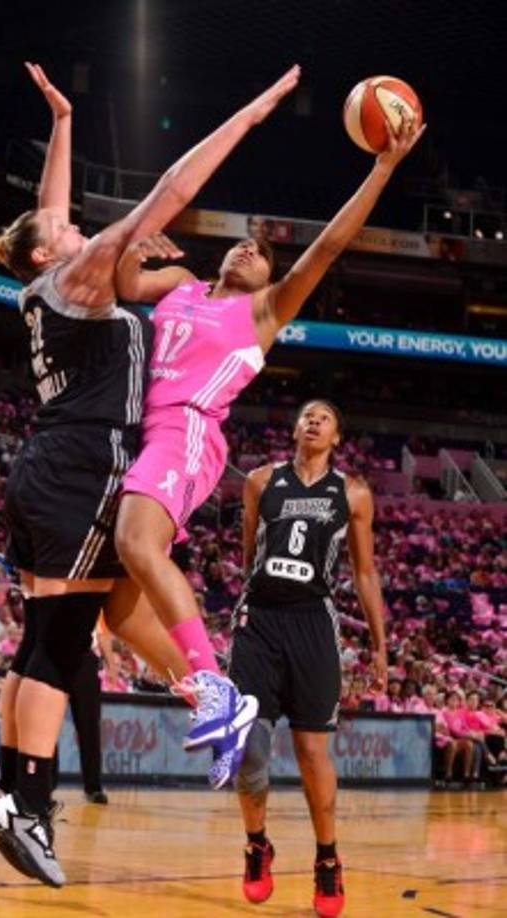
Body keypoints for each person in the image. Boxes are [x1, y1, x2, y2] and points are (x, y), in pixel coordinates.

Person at [0, 61, 301, 887]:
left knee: (41, 642)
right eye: (69, 228)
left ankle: (11, 790)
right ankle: (30, 806)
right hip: (81, 467)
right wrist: (248, 116)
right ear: (51, 253)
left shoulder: (49, 282)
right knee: (61, 644)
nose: (79, 226)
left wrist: (65, 121)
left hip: (46, 465)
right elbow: (170, 189)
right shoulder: (78, 278)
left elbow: (47, 213)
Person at [114, 117, 424, 789]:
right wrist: (134, 247)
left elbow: (328, 247)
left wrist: (381, 170)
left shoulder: (260, 313)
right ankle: (210, 700)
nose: (250, 249)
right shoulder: (180, 284)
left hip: (187, 429)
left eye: (261, 253)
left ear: (267, 282)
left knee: (139, 547)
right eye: (245, 244)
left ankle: (215, 688)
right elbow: (121, 285)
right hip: (137, 433)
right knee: (117, 604)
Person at [225, 400, 388, 917]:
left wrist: (380, 642)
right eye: (306, 415)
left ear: (337, 436)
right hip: (260, 620)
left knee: (312, 753)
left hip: (313, 624)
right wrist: (251, 601)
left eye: (325, 418)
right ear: (294, 428)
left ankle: (327, 858)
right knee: (249, 747)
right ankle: (257, 845)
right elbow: (249, 549)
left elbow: (364, 573)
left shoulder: (353, 492)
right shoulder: (260, 481)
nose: (313, 421)